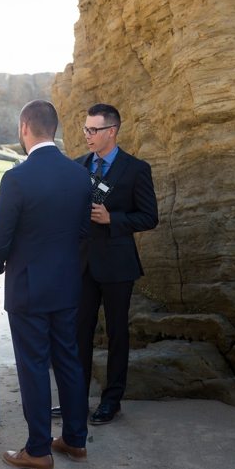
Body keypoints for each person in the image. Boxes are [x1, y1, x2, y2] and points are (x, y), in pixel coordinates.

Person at [0, 99, 92, 469]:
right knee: (69, 361)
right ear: (55, 128)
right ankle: (76, 442)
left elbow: (0, 237)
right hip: (66, 285)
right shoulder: (81, 175)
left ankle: (38, 451)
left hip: (28, 288)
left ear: (24, 128)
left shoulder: (16, 177)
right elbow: (82, 231)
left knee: (33, 367)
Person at [55, 103, 157, 425]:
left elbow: (150, 217)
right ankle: (75, 400)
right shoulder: (77, 166)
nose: (87, 135)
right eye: (85, 129)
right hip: (82, 264)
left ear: (111, 131)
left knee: (117, 334)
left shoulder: (136, 168)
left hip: (118, 265)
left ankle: (111, 401)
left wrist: (114, 218)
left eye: (93, 130)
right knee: (78, 335)